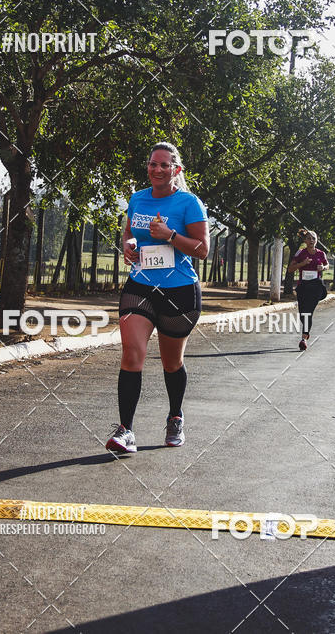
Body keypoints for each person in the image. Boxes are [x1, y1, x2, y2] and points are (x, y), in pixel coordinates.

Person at [105, 142, 210, 454]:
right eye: (153, 164)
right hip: (140, 286)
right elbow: (129, 233)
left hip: (179, 291)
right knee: (131, 354)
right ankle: (126, 431)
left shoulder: (189, 203)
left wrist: (170, 236)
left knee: (171, 362)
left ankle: (175, 417)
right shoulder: (137, 198)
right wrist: (128, 246)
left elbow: (203, 250)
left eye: (165, 165)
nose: (158, 169)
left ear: (176, 170)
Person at [288, 228, 329, 351]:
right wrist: (303, 263)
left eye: (313, 238)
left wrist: (323, 267)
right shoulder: (300, 253)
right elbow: (290, 269)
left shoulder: (321, 253)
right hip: (303, 286)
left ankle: (304, 338)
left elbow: (327, 265)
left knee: (308, 312)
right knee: (303, 314)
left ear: (317, 240)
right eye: (309, 238)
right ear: (305, 240)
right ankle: (305, 334)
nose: (311, 240)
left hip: (316, 287)